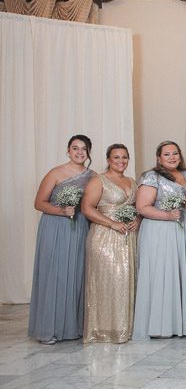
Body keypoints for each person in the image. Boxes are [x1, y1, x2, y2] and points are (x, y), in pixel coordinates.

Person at [28, 135, 96, 344]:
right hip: (55, 227)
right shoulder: (56, 173)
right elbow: (39, 203)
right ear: (68, 151)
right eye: (75, 148)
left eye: (84, 149)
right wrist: (61, 210)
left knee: (77, 274)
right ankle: (51, 328)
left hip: (81, 227)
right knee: (55, 274)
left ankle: (73, 327)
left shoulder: (93, 176)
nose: (79, 152)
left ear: (89, 152)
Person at [133, 141, 186, 339]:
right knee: (162, 274)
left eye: (175, 153)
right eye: (167, 154)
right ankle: (160, 325)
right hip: (159, 231)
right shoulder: (151, 177)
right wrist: (167, 216)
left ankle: (181, 323)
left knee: (179, 272)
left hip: (182, 229)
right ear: (159, 158)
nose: (172, 157)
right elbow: (142, 207)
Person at [81, 144, 138, 344]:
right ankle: (102, 330)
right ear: (108, 160)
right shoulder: (98, 180)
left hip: (128, 237)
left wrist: (136, 220)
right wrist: (112, 223)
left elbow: (136, 208)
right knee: (106, 280)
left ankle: (123, 327)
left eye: (124, 157)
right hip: (104, 236)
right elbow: (87, 208)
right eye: (116, 157)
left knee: (124, 281)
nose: (121, 161)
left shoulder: (132, 181)